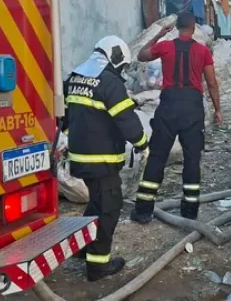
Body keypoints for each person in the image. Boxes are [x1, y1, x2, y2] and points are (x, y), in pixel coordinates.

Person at [63, 36, 147, 281]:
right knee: (110, 207)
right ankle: (98, 265)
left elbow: (66, 118)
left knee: (96, 204)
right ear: (116, 57)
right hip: (101, 160)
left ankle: (83, 247)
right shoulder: (109, 82)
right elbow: (126, 120)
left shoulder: (75, 77)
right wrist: (142, 143)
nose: (121, 71)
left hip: (80, 157)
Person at [131, 11, 222, 223]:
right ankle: (189, 211)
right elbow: (211, 83)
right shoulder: (202, 51)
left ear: (177, 27)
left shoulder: (165, 46)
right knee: (192, 159)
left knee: (157, 157)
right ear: (193, 28)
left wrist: (159, 35)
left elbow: (142, 55)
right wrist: (217, 109)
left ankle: (143, 211)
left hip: (169, 106)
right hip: (192, 108)